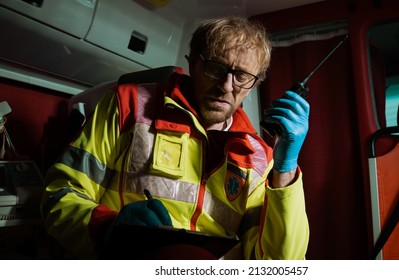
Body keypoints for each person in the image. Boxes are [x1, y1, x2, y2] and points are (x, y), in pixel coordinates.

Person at [41, 16, 310, 260]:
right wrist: (109, 228)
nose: (226, 86)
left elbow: (277, 263)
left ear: (256, 83)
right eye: (216, 68)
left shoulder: (261, 158)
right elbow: (59, 197)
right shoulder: (127, 105)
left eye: (241, 76)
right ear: (192, 62)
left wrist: (285, 169)